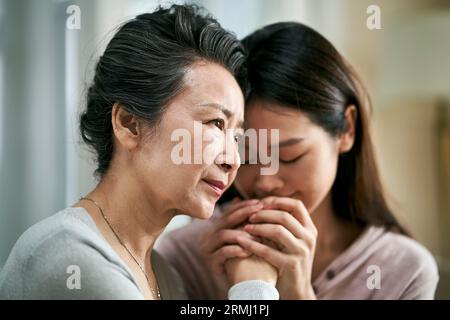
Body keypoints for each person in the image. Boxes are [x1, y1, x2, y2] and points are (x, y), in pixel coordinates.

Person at [0, 4, 277, 300]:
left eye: (236, 136)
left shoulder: (164, 275)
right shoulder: (71, 257)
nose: (232, 160)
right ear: (129, 124)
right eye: (215, 123)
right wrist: (254, 288)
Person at [158, 22, 440, 300]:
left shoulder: (403, 272)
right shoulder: (183, 255)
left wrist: (299, 295)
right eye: (247, 155)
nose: (265, 181)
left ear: (347, 130)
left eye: (289, 156)